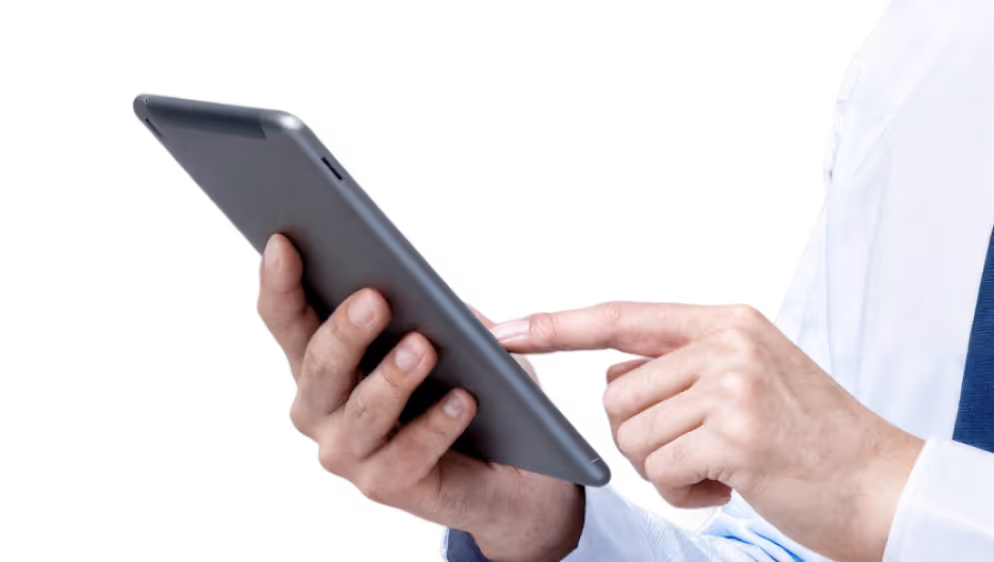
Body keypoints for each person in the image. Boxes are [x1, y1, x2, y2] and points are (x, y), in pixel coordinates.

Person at [254, 1, 993, 560]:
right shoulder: (937, 43)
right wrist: (550, 525)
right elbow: (802, 548)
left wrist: (880, 487)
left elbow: (871, 501)